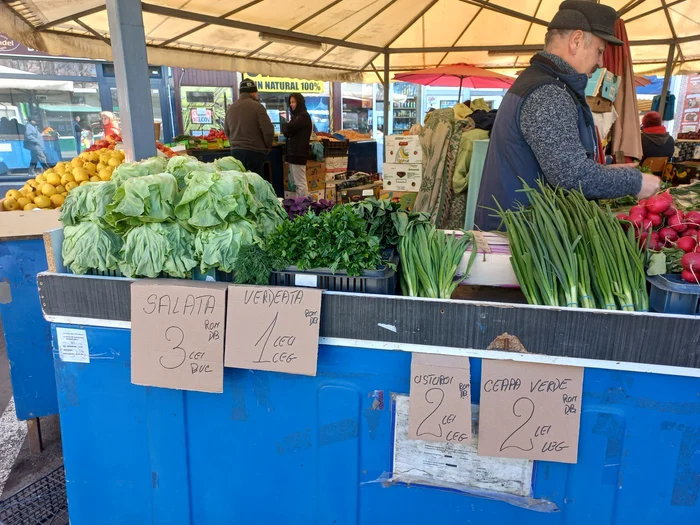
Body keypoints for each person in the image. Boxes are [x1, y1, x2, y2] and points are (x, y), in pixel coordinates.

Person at [474, 1, 660, 231]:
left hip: (520, 229)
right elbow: (571, 176)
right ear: (576, 40)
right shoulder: (548, 93)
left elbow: (560, 164)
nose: (600, 63)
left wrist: (603, 171)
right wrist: (636, 182)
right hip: (524, 238)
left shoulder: (540, 83)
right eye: (599, 51)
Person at [224, 79, 274, 177]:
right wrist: (267, 146)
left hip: (236, 153)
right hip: (254, 152)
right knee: (255, 184)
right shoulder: (258, 107)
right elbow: (268, 131)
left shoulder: (231, 108)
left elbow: (226, 131)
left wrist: (236, 143)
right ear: (253, 92)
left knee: (241, 184)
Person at [281, 93, 312, 197]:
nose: (291, 105)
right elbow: (287, 129)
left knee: (300, 183)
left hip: (298, 153)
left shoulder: (302, 116)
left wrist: (285, 126)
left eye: (293, 102)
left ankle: (303, 206)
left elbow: (288, 128)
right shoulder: (298, 117)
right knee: (298, 182)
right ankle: (302, 205)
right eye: (290, 102)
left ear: (299, 102)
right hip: (295, 153)